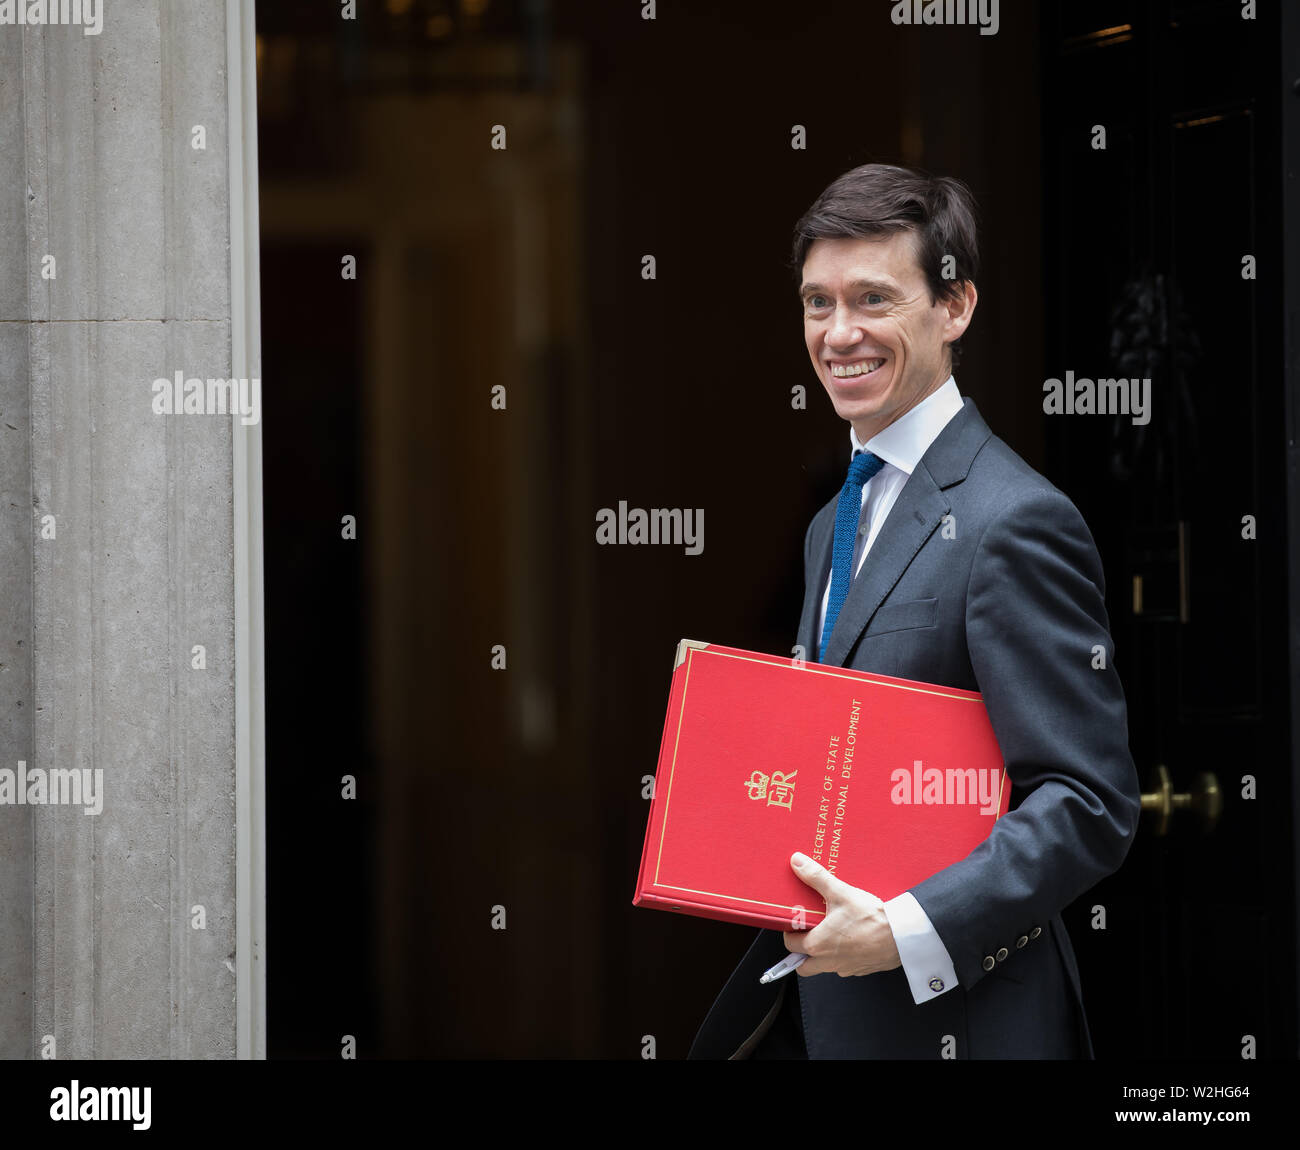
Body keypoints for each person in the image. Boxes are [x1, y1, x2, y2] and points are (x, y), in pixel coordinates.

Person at [688, 164, 1142, 1060]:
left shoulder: (1015, 520)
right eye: (818, 303)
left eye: (872, 299)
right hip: (832, 1022)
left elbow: (1089, 801)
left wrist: (903, 930)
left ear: (955, 307)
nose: (839, 333)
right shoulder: (834, 522)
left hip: (968, 1027)